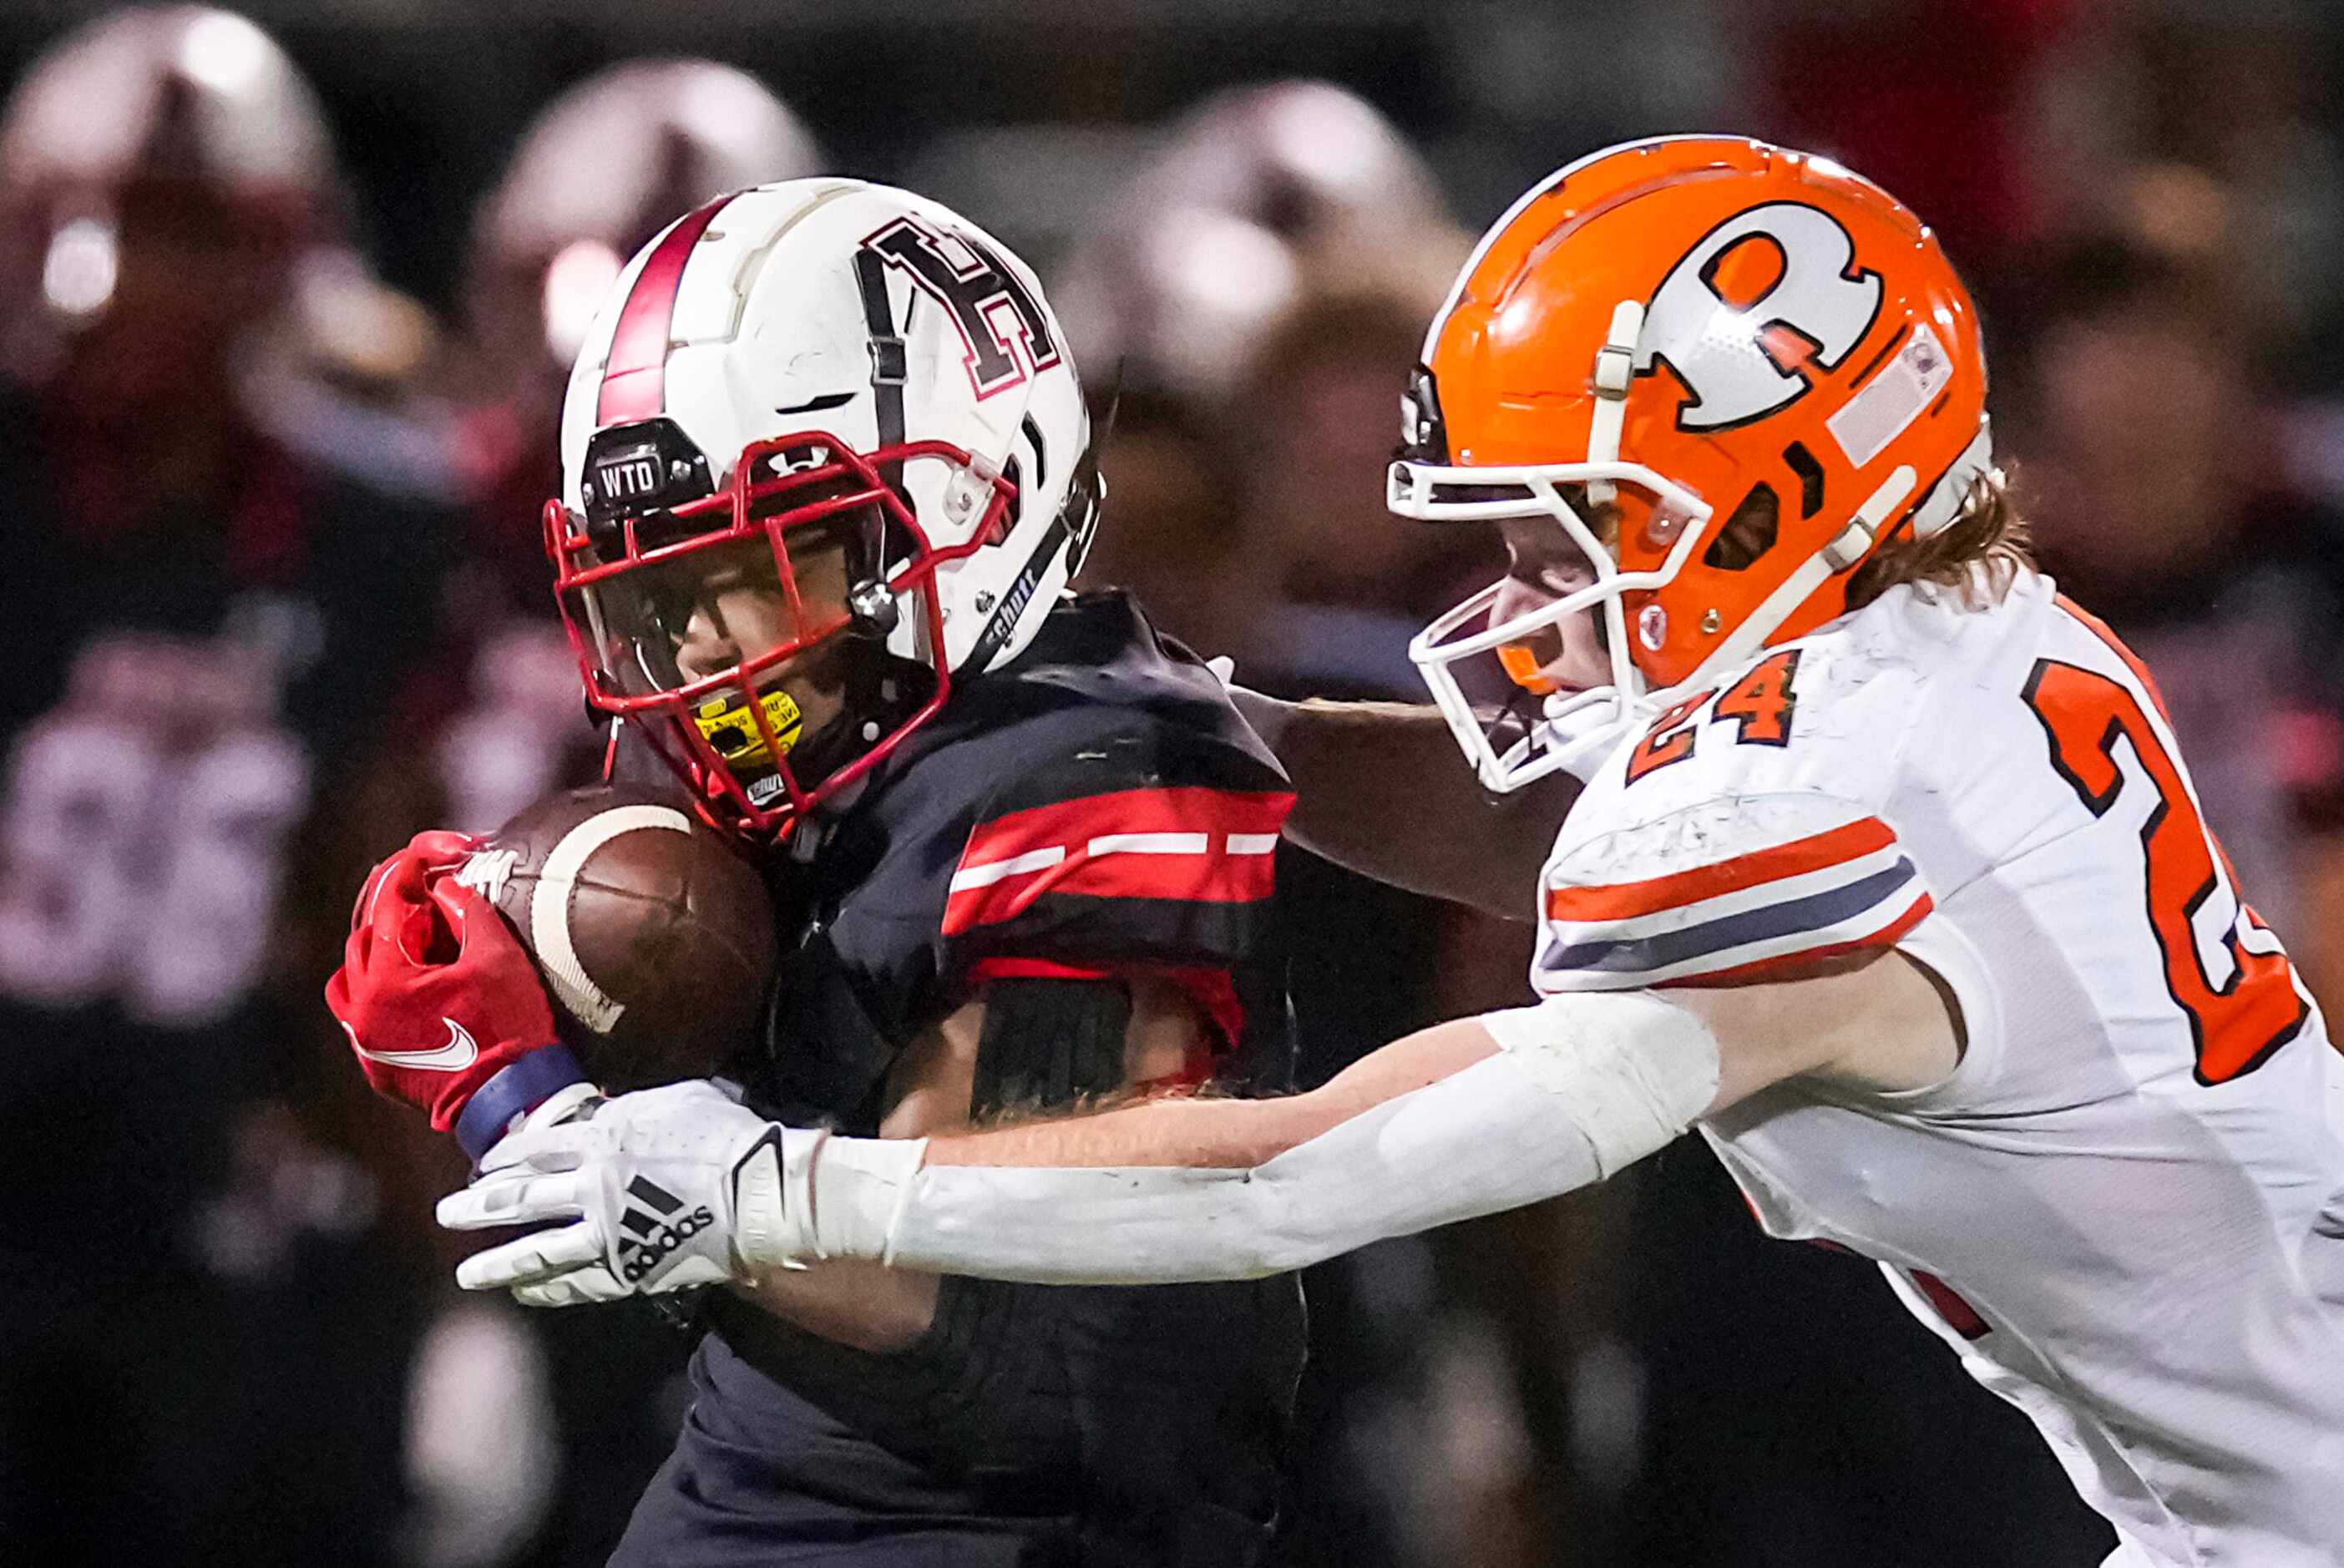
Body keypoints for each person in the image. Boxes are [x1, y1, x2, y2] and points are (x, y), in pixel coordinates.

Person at [443, 139, 2344, 1567]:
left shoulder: (1795, 802)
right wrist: (1213, 727)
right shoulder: (1946, 625)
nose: (1514, 592)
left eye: (1562, 531)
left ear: (1771, 487)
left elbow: (1296, 1179)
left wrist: (778, 1190)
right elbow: (1535, 816)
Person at [331, 179, 1305, 1564]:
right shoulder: (847, 742)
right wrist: (526, 982)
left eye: (768, 567)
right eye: (661, 593)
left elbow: (1008, 1329)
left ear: (968, 498)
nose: (707, 654)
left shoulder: (1100, 771)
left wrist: (566, 1138)